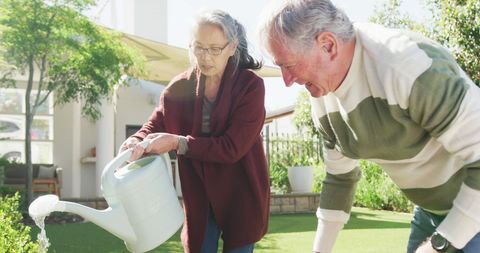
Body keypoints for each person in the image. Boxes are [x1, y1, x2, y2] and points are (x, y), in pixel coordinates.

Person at [257, 0, 480, 253]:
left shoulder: (408, 66)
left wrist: (439, 245)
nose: (287, 81)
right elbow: (340, 179)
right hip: (430, 210)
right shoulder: (322, 94)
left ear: (328, 45)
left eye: (289, 65)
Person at [119, 9, 270, 253]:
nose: (205, 57)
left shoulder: (250, 87)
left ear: (232, 47)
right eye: (198, 47)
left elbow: (232, 148)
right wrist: (136, 140)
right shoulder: (179, 87)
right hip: (199, 196)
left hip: (240, 193)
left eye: (214, 49)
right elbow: (155, 123)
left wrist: (178, 143)